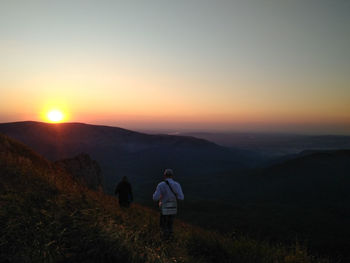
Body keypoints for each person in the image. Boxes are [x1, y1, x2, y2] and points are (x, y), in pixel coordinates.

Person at [153, 169, 184, 240]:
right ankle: (170, 240)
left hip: (164, 206)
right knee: (170, 225)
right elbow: (181, 197)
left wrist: (162, 196)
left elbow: (155, 198)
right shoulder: (177, 184)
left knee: (163, 225)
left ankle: (164, 240)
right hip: (173, 207)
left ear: (164, 176)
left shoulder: (161, 185)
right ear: (172, 176)